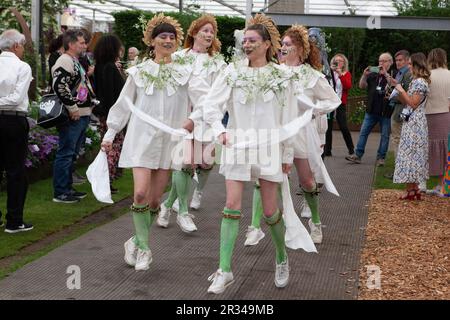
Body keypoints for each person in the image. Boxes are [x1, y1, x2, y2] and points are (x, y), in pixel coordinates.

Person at [184, 13, 298, 294]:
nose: (246, 44)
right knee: (231, 205)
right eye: (244, 40)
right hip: (236, 145)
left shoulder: (282, 76)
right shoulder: (232, 72)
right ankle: (224, 269)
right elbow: (211, 105)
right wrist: (218, 131)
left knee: (271, 211)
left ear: (267, 44)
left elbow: (289, 117)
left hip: (269, 147)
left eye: (252, 40)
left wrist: (287, 155)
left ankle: (281, 257)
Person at [101, 14, 208, 271]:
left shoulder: (185, 72)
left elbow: (206, 100)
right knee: (139, 193)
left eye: (172, 37)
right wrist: (110, 133)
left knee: (154, 202)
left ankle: (136, 241)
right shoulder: (139, 72)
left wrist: (193, 119)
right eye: (163, 37)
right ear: (152, 41)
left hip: (170, 142)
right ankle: (145, 250)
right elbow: (123, 105)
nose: (168, 41)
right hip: (141, 139)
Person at [157, 14, 226, 232]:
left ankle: (168, 205)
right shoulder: (178, 57)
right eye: (204, 30)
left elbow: (219, 97)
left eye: (211, 31)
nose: (208, 34)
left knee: (204, 162)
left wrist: (208, 118)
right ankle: (183, 212)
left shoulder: (218, 62)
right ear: (194, 32)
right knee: (185, 162)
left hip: (204, 119)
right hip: (181, 118)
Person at [51, 29, 94, 203]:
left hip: (80, 113)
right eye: (82, 42)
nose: (85, 45)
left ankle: (67, 188)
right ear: (71, 44)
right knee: (66, 153)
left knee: (71, 153)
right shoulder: (64, 60)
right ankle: (61, 192)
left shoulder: (73, 60)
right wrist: (72, 107)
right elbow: (59, 85)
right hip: (73, 115)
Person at [0, 29, 34, 233]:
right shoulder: (22, 66)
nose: (22, 49)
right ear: (15, 46)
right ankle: (14, 221)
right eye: (21, 45)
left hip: (10, 119)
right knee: (16, 172)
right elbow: (15, 98)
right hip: (13, 121)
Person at [393, 53, 430, 200]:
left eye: (410, 64)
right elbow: (408, 102)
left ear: (416, 65)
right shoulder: (416, 81)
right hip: (412, 121)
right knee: (411, 154)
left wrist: (401, 90)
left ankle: (411, 189)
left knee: (411, 154)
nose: (408, 67)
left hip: (416, 122)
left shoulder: (420, 82)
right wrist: (397, 92)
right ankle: (413, 188)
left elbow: (414, 103)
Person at [346, 53, 395, 166]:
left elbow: (393, 86)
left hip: (385, 111)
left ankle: (381, 158)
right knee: (363, 132)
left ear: (390, 62)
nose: (381, 63)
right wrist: (364, 75)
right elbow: (362, 86)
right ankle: (357, 155)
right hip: (371, 110)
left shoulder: (394, 74)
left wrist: (386, 74)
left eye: (384, 61)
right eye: (379, 61)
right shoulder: (373, 75)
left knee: (384, 136)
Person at [93, 34, 126, 193]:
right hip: (112, 115)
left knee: (108, 147)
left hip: (105, 113)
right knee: (112, 148)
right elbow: (111, 94)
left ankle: (106, 180)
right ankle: (106, 180)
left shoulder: (100, 66)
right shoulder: (110, 68)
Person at [424, 48, 450, 195]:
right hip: (447, 114)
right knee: (446, 149)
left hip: (430, 115)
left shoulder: (427, 76)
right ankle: (443, 184)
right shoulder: (449, 74)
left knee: (435, 150)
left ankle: (438, 184)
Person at [384, 50, 412, 179]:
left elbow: (406, 95)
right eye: (397, 60)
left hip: (401, 111)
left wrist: (393, 96)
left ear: (407, 60)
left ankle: (399, 170)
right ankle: (400, 169)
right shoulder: (401, 73)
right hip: (398, 110)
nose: (398, 62)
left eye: (401, 60)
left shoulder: (407, 74)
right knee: (398, 140)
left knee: (398, 140)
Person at [324, 53, 355, 157]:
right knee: (328, 127)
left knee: (343, 126)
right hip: (329, 102)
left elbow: (348, 86)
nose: (337, 62)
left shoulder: (346, 74)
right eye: (335, 61)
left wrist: (340, 74)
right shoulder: (328, 73)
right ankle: (327, 150)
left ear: (344, 63)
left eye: (340, 61)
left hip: (340, 103)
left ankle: (351, 150)